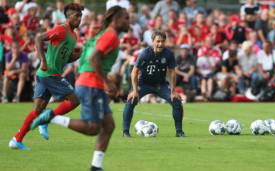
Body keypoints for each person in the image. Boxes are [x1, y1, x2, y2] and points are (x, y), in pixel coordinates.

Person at [31, 6, 130, 171]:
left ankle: (96, 166)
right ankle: (51, 117)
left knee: (109, 126)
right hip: (92, 84)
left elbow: (86, 55)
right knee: (92, 128)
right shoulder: (110, 35)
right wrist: (107, 81)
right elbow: (93, 57)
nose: (129, 21)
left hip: (87, 81)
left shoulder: (103, 34)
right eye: (126, 18)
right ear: (116, 20)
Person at [8, 3, 84, 150]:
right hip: (49, 74)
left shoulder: (73, 37)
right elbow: (38, 38)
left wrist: (76, 56)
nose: (79, 19)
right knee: (75, 100)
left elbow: (65, 58)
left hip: (45, 74)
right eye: (76, 16)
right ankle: (47, 119)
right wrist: (42, 60)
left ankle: (16, 140)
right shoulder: (62, 29)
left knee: (37, 110)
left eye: (80, 16)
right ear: (68, 17)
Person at [122, 31, 185, 138]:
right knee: (131, 101)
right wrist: (135, 91)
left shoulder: (168, 54)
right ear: (153, 42)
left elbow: (172, 72)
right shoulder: (145, 53)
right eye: (158, 41)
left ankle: (179, 131)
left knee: (176, 101)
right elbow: (134, 72)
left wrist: (173, 91)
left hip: (160, 85)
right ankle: (125, 132)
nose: (160, 44)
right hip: (144, 83)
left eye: (162, 41)